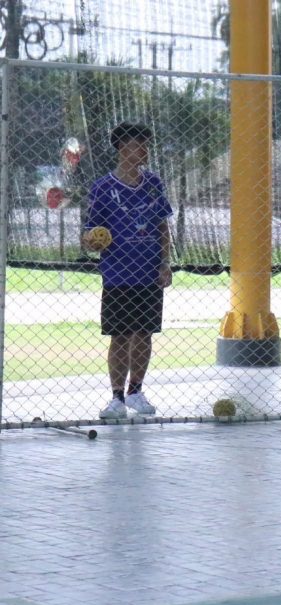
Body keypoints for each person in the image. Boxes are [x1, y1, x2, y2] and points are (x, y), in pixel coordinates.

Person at [82, 122, 173, 420]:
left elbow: (162, 227)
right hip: (118, 273)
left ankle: (136, 391)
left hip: (149, 272)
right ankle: (116, 397)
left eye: (146, 144)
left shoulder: (153, 184)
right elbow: (89, 234)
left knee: (145, 333)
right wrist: (92, 241)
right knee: (120, 335)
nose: (144, 150)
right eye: (137, 144)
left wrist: (164, 263)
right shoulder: (103, 188)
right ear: (122, 148)